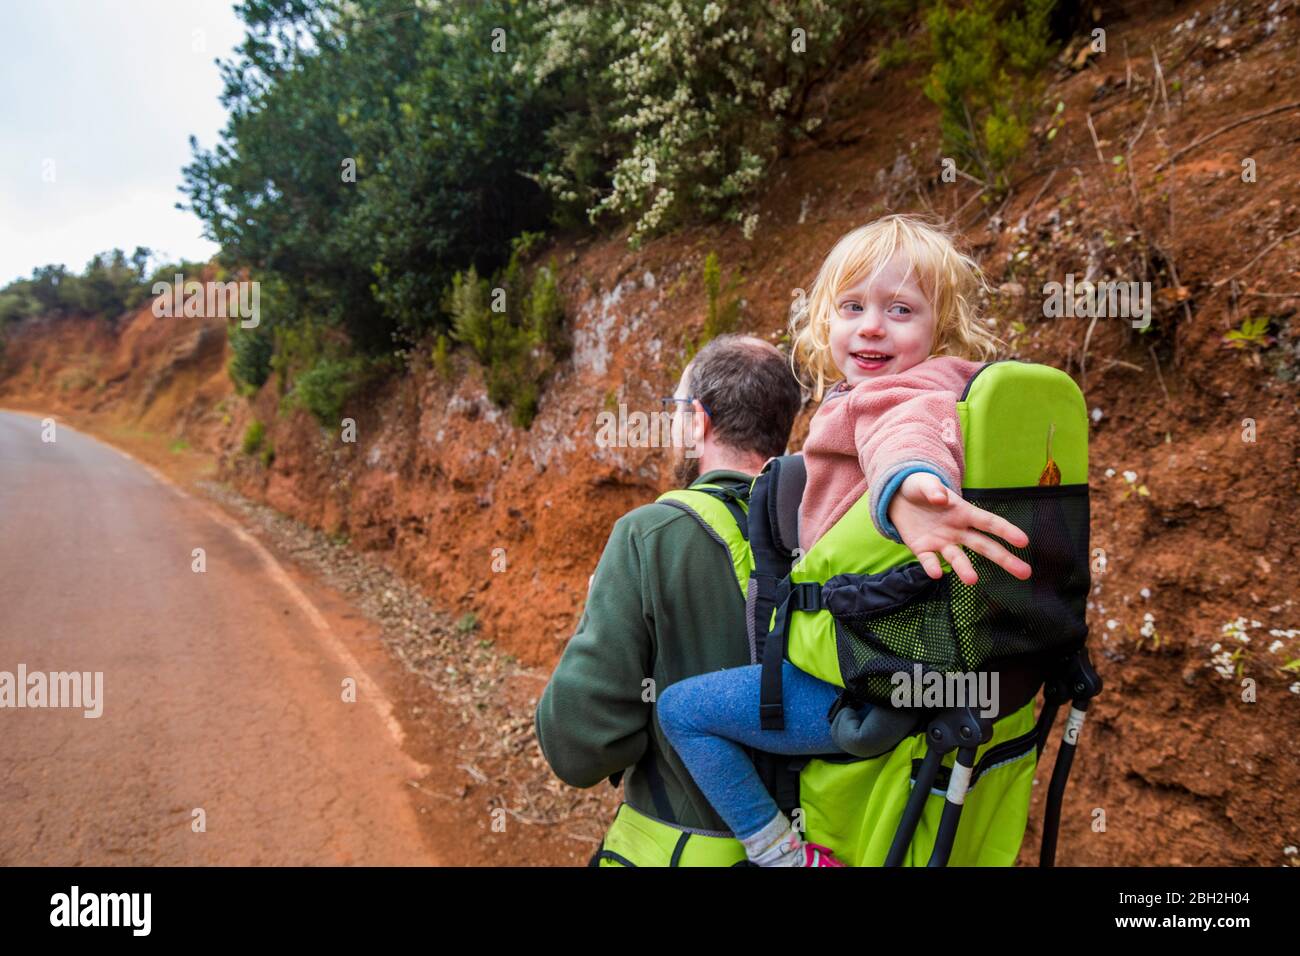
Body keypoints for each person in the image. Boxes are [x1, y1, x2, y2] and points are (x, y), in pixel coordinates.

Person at [656, 214, 1034, 866]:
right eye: (852, 306)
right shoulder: (944, 390)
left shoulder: (903, 395)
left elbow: (906, 440)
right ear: (825, 319)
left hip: (852, 683)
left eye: (900, 310)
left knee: (683, 711)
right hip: (907, 663)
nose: (871, 326)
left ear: (940, 328)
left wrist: (910, 495)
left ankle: (780, 854)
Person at [534, 334, 803, 863]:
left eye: (675, 412)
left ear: (697, 421)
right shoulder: (830, 527)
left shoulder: (649, 535)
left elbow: (577, 747)